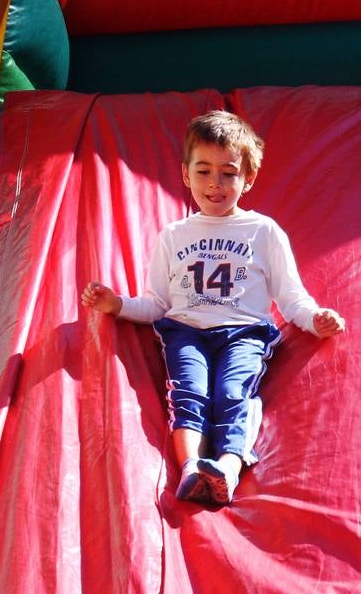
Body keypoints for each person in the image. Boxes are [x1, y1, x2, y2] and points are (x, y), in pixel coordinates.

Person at [81, 110, 345, 507]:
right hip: (186, 331)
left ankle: (228, 467)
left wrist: (314, 318)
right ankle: (191, 469)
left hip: (243, 333)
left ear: (248, 178)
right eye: (203, 171)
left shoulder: (263, 231)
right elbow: (157, 304)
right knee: (189, 393)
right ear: (186, 175)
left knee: (230, 393)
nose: (214, 184)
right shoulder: (174, 235)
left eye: (228, 173)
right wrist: (116, 304)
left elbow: (290, 296)